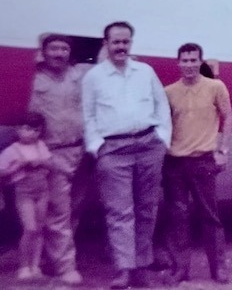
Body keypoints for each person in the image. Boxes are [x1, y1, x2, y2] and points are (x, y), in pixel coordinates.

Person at [82, 21, 171, 289]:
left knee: (147, 209)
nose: (121, 47)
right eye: (116, 42)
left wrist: (162, 139)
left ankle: (141, 267)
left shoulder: (145, 72)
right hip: (113, 151)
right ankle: (124, 269)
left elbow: (162, 105)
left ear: (131, 43)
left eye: (125, 42)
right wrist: (97, 147)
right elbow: (88, 116)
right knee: (119, 212)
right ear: (105, 44)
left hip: (147, 146)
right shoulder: (93, 78)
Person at [163, 42, 232, 285]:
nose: (189, 65)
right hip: (175, 164)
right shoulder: (169, 92)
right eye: (185, 60)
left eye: (194, 60)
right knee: (177, 217)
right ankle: (180, 269)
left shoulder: (215, 87)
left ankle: (218, 269)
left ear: (200, 62)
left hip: (203, 162)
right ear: (178, 63)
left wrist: (223, 149)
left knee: (210, 217)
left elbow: (228, 117)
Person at [28, 33, 88, 286]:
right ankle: (65, 267)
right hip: (53, 153)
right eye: (54, 48)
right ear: (44, 51)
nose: (59, 53)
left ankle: (52, 259)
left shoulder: (80, 76)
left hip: (82, 150)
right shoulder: (35, 79)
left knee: (74, 208)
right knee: (59, 212)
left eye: (64, 48)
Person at [0, 112, 53, 282]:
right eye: (27, 129)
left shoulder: (41, 146)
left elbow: (50, 163)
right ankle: (23, 266)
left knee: (39, 228)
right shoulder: (12, 150)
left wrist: (42, 163)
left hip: (42, 190)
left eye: (36, 130)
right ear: (18, 130)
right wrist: (17, 167)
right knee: (29, 228)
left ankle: (35, 266)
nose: (32, 133)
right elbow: (1, 172)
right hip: (24, 192)